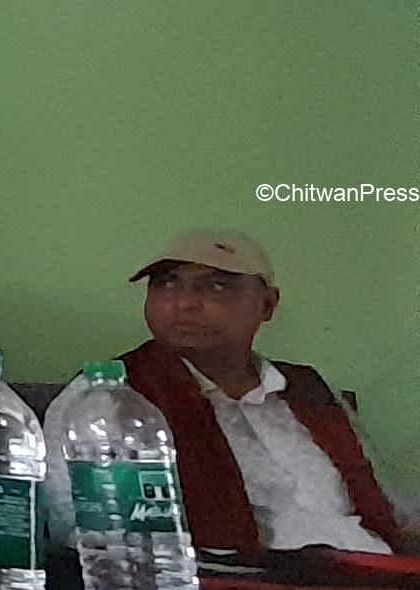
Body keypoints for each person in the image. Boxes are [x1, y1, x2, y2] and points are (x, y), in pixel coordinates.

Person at [120, 230, 411, 554]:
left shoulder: (309, 390)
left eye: (216, 286)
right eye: (166, 283)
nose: (184, 303)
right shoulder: (119, 395)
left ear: (268, 305)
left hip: (373, 570)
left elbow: (392, 512)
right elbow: (109, 537)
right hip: (236, 581)